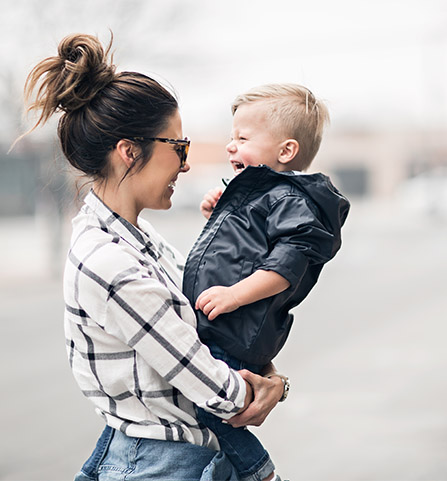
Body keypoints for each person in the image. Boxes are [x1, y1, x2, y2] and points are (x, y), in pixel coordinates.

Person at [21, 33, 285, 481]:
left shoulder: (138, 239)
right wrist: (265, 390)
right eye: (177, 147)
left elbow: (210, 327)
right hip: (159, 464)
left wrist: (271, 378)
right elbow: (206, 378)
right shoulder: (107, 260)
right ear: (129, 151)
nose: (184, 164)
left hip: (183, 457)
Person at [183, 83, 351, 481]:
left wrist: (235, 296)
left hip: (237, 330)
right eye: (230, 136)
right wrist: (216, 214)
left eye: (242, 138)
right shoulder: (259, 196)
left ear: (286, 151)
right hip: (225, 324)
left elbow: (285, 266)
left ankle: (261, 473)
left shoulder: (288, 200)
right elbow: (241, 249)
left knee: (220, 414)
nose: (229, 145)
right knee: (211, 417)